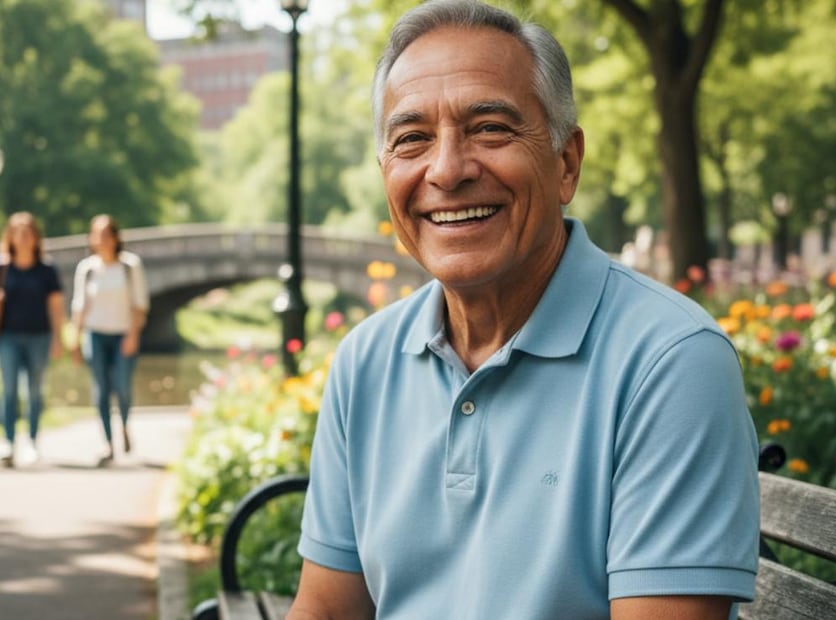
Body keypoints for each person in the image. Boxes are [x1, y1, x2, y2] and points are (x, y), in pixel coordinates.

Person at [289, 2, 760, 619]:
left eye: (490, 128)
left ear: (566, 163)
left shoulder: (670, 362)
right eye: (412, 139)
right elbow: (325, 610)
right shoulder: (365, 360)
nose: (447, 170)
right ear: (385, 172)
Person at [0, 211, 64, 468]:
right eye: (18, 233)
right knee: (9, 389)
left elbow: (56, 307)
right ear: (10, 237)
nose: (24, 239)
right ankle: (8, 441)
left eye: (28, 234)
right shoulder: (0, 267)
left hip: (40, 336)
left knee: (34, 391)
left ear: (36, 238)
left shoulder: (47, 270)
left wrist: (58, 339)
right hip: (7, 337)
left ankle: (33, 441)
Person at [71, 215, 150, 466]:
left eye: (107, 234)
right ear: (92, 239)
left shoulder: (129, 266)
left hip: (123, 333)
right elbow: (80, 306)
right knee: (101, 389)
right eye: (98, 235)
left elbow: (140, 304)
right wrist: (75, 339)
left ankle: (124, 425)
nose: (103, 240)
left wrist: (133, 335)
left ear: (116, 238)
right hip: (95, 334)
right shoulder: (87, 269)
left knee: (122, 387)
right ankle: (108, 442)